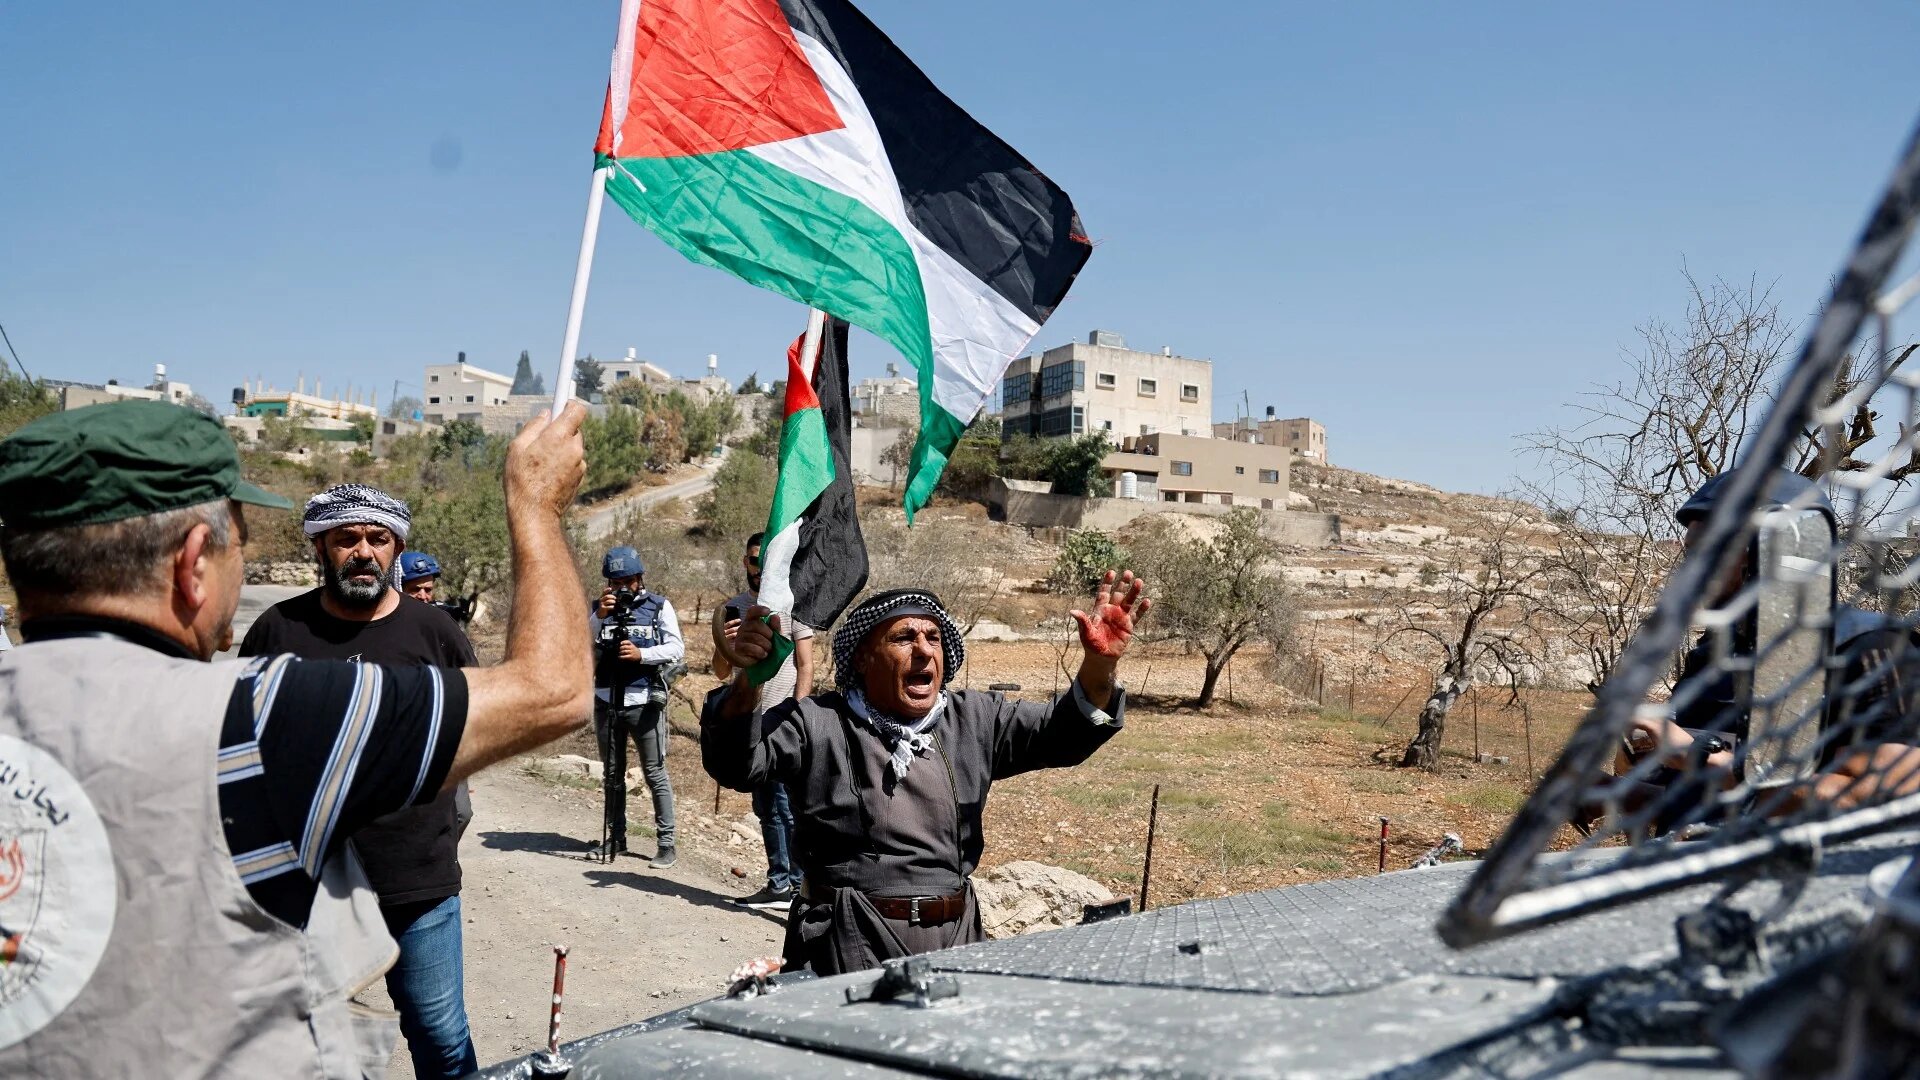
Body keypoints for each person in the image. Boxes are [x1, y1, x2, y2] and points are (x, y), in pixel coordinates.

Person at [0, 398, 592, 1077]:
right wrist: (537, 507)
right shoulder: (258, 708)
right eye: (240, 540)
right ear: (194, 563)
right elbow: (553, 691)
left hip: (416, 882)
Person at [703, 571, 1150, 975]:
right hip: (844, 941)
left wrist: (1099, 666)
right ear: (862, 659)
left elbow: (1063, 736)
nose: (923, 651)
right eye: (902, 638)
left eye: (933, 638)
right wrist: (749, 683)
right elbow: (737, 763)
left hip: (955, 940)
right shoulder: (817, 722)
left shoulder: (975, 718)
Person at [237, 486, 480, 1080]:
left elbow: (477, 727)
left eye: (378, 538)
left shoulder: (435, 632)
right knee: (305, 1041)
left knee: (441, 1036)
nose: (363, 552)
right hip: (304, 884)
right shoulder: (277, 629)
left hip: (415, 878)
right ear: (322, 544)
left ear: (397, 547)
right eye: (347, 538)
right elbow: (244, 743)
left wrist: (448, 820)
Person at [1600, 470, 1920, 830]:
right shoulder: (1714, 651)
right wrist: (1623, 795)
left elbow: (1886, 799)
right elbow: (1708, 804)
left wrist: (1702, 759)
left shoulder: (1868, 646)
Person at [711, 531, 813, 911]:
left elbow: (806, 664)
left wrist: (800, 716)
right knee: (766, 808)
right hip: (751, 721)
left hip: (786, 722)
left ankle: (801, 886)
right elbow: (722, 670)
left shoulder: (791, 605)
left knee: (791, 808)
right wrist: (732, 646)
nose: (759, 568)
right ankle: (777, 882)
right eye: (755, 561)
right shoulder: (733, 609)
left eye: (766, 561)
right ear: (746, 563)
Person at [590, 545, 683, 867]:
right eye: (615, 583)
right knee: (612, 774)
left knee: (654, 773)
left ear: (639, 578)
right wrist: (599, 616)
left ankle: (666, 844)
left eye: (627, 581)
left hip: (644, 703)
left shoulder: (658, 606)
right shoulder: (599, 610)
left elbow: (675, 648)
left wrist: (642, 655)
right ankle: (615, 838)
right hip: (606, 700)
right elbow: (580, 645)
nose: (622, 588)